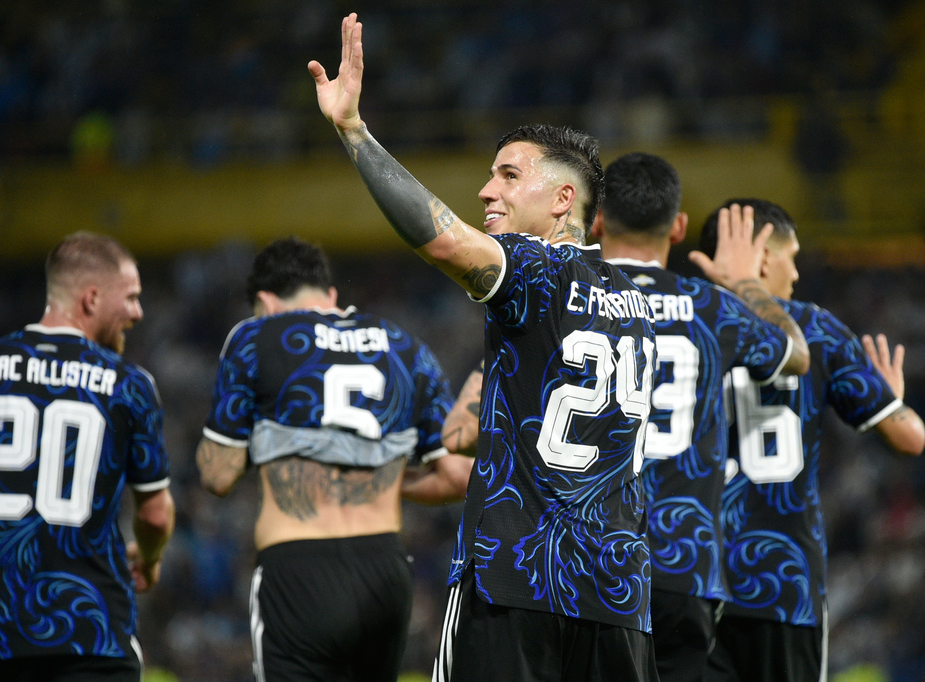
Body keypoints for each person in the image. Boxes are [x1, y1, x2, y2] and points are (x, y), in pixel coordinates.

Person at [310, 14, 670, 681]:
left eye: (508, 176)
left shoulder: (536, 268)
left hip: (517, 579)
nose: (485, 191)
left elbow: (443, 239)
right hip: (618, 592)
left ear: (565, 199)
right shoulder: (636, 305)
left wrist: (353, 130)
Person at [0, 231, 176, 682]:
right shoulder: (129, 384)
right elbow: (155, 515)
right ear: (90, 299)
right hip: (94, 641)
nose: (137, 312)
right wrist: (149, 557)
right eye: (129, 298)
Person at [195, 235, 467, 682]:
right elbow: (457, 475)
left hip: (298, 568)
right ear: (331, 296)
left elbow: (218, 475)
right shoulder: (406, 348)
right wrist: (376, 475)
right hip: (384, 570)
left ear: (264, 301)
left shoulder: (254, 337)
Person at [588, 153, 810, 682]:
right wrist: (743, 283)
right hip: (684, 568)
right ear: (680, 227)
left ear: (596, 221)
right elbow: (796, 353)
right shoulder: (713, 307)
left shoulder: (571, 299)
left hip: (587, 565)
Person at [695, 199, 925, 682]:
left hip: (690, 571)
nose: (797, 273)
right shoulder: (816, 329)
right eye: (790, 256)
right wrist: (893, 401)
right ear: (760, 258)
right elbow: (909, 438)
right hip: (785, 579)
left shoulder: (678, 320)